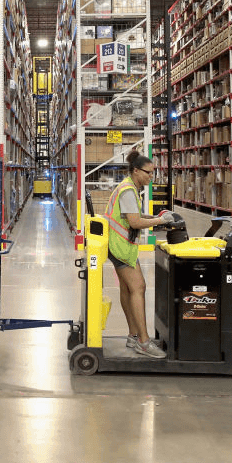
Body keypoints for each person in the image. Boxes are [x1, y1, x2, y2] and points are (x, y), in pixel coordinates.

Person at [103, 150, 175, 358]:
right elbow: (134, 222)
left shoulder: (130, 187)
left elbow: (131, 215)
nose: (151, 176)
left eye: (153, 173)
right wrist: (160, 221)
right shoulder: (128, 190)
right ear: (136, 171)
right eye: (148, 173)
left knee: (128, 289)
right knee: (139, 287)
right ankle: (143, 342)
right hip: (121, 246)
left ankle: (133, 336)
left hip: (120, 244)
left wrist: (153, 217)